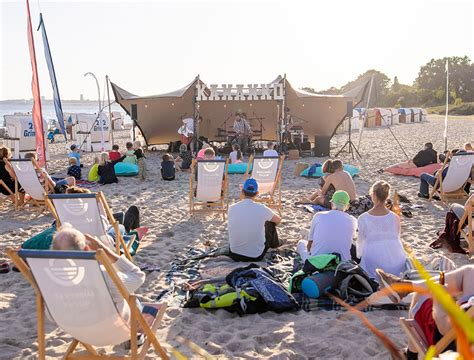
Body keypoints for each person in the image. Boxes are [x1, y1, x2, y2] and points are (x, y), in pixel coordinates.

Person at [51, 223, 145, 323]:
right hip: (114, 331)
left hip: (79, 331)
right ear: (87, 249)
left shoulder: (50, 279)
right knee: (130, 295)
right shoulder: (103, 276)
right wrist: (103, 249)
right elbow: (138, 276)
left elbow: (51, 316)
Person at [376, 265, 474, 359]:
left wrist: (438, 300)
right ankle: (404, 286)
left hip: (450, 346)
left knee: (421, 295)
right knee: (470, 271)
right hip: (462, 329)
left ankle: (411, 355)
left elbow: (444, 328)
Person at [356, 181, 406, 278]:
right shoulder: (395, 217)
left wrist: (359, 256)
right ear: (387, 196)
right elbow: (397, 238)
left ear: (373, 194)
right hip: (396, 260)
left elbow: (360, 242)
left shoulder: (363, 218)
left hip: (374, 262)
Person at [228, 178, 281, 261]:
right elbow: (278, 220)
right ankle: (274, 245)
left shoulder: (231, 208)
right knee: (270, 222)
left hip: (234, 254)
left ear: (242, 192)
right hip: (255, 255)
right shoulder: (261, 208)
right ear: (257, 193)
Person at [297, 191, 357, 262]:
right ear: (347, 206)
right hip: (342, 263)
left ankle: (303, 235)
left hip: (317, 263)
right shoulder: (352, 220)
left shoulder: (319, 215)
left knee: (301, 243)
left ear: (332, 204)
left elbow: (309, 246)